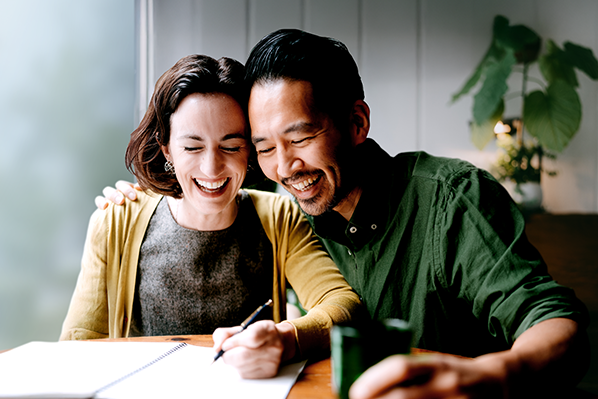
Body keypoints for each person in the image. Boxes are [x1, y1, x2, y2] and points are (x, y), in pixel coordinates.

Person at [99, 30, 590, 397]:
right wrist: (132, 200)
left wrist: (490, 374)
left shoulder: (450, 197)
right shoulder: (284, 211)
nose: (284, 166)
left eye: (301, 138)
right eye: (264, 147)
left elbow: (554, 320)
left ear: (356, 123)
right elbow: (204, 179)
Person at [61, 54, 363, 379]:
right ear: (166, 150)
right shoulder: (117, 220)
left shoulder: (279, 216)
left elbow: (342, 304)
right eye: (192, 147)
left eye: (231, 146)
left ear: (249, 150)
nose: (211, 169)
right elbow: (76, 348)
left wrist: (285, 337)